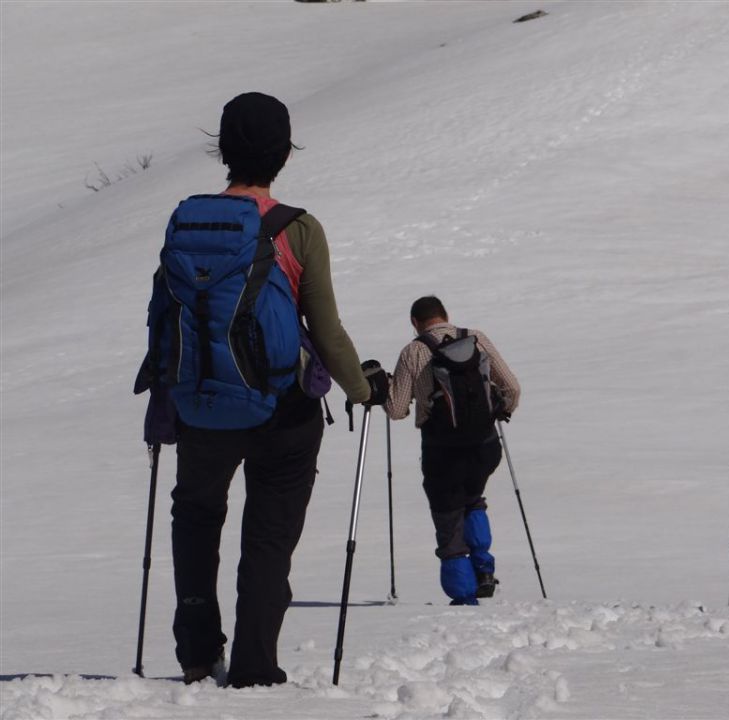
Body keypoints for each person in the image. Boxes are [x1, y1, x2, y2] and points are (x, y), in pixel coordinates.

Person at [165, 92, 382, 687]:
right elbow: (325, 327)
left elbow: (174, 315)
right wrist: (363, 390)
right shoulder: (297, 229)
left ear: (223, 149)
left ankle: (196, 653)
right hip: (282, 412)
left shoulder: (188, 220)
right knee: (267, 536)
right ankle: (257, 664)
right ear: (284, 153)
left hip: (201, 402)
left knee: (196, 518)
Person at [383, 296, 521, 605]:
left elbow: (396, 408)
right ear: (446, 315)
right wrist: (499, 409)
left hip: (441, 452)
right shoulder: (476, 339)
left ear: (415, 323)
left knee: (448, 516)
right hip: (485, 447)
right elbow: (512, 387)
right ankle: (484, 570)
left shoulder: (414, 352)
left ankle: (463, 596)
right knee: (472, 500)